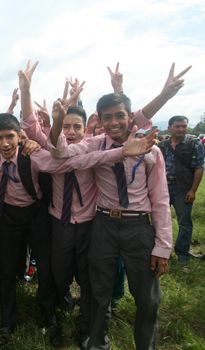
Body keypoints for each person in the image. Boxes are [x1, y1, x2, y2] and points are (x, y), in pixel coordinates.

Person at [51, 93, 171, 350]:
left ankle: (145, 346)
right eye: (107, 117)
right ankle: (96, 343)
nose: (114, 122)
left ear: (131, 117)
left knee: (147, 297)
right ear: (100, 120)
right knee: (98, 291)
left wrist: (163, 245)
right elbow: (62, 154)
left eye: (120, 116)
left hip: (138, 225)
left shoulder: (152, 151)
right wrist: (119, 153)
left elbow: (160, 199)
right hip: (103, 224)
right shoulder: (95, 144)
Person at [159, 115, 204, 264]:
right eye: (178, 126)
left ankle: (182, 255)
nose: (181, 129)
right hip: (163, 187)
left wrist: (192, 190)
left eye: (184, 126)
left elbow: (199, 168)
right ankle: (160, 251)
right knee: (159, 220)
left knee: (184, 222)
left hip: (182, 188)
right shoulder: (163, 145)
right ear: (170, 127)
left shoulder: (194, 143)